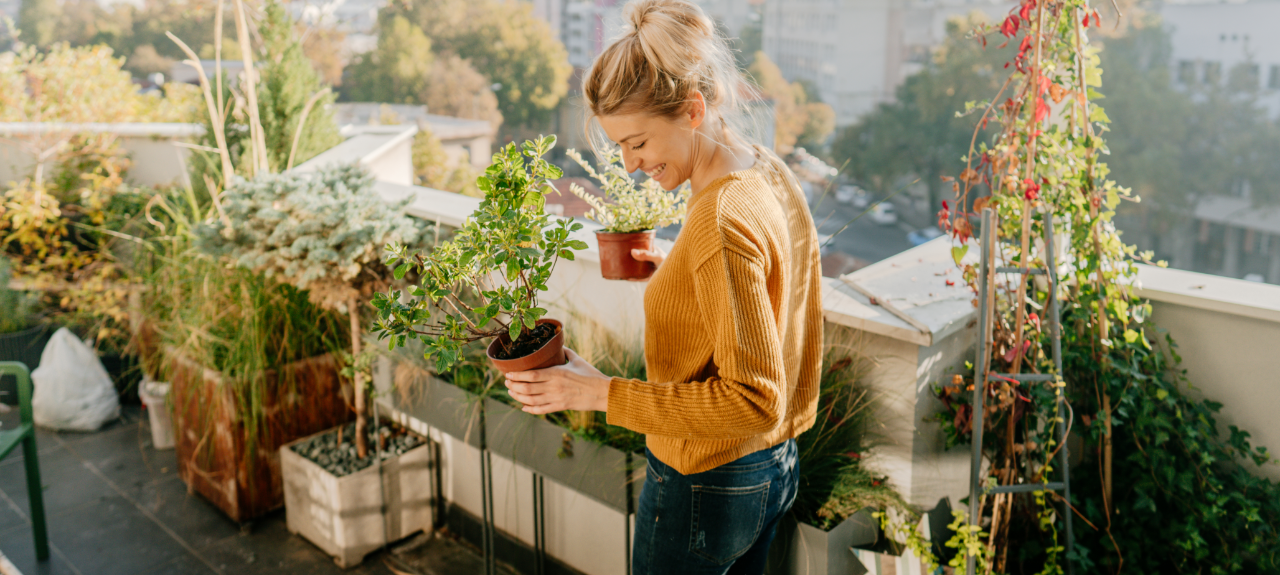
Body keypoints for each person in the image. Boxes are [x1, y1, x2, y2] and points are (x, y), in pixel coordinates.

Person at [502, 0, 823, 572]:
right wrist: (676, 271)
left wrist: (595, 393)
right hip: (774, 468)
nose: (628, 165)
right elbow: (774, 285)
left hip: (709, 479)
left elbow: (753, 398)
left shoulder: (719, 222)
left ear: (693, 110)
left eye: (638, 143)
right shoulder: (762, 167)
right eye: (619, 147)